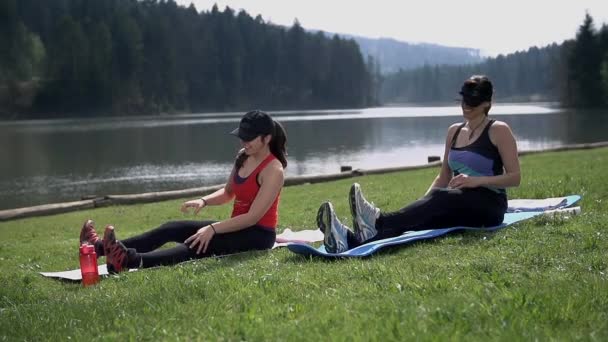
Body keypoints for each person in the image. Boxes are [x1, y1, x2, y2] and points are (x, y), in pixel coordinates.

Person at [318, 75, 521, 253]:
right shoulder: (454, 131)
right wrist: (424, 204)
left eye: (472, 101)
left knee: (440, 200)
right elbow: (444, 177)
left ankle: (378, 220)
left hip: (489, 206)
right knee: (419, 220)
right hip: (457, 201)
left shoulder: (499, 130)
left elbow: (514, 177)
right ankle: (347, 240)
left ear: (486, 103)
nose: (466, 105)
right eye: (464, 100)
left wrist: (475, 181)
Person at [79, 110, 287, 272]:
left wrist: (213, 229)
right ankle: (98, 248)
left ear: (266, 138)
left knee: (198, 243)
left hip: (257, 236)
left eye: (249, 137)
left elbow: (252, 218)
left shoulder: (273, 170)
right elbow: (228, 193)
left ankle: (129, 260)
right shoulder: (244, 155)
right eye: (242, 136)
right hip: (236, 228)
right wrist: (203, 201)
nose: (243, 142)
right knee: (172, 228)